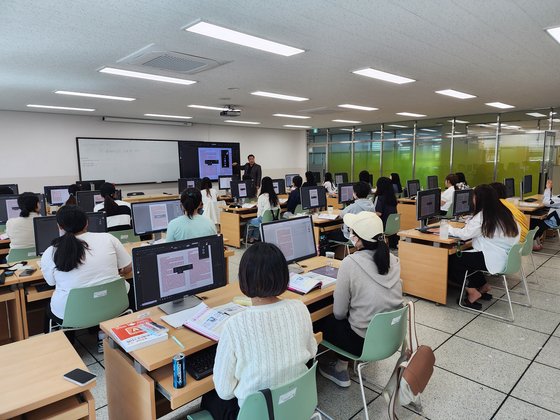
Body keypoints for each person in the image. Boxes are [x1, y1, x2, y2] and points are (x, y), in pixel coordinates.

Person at [201, 242, 317, 419]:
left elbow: (225, 392)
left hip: (257, 414)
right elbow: (312, 352)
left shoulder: (235, 325)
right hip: (296, 406)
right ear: (284, 276)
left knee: (210, 399)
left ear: (243, 279)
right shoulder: (299, 307)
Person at [315, 212, 402, 387]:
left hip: (361, 343)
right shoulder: (393, 259)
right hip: (390, 338)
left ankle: (340, 368)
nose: (351, 235)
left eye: (353, 232)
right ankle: (342, 363)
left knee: (318, 320)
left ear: (359, 240)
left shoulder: (350, 263)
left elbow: (339, 313)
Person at [41, 206, 132, 346]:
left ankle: (63, 348)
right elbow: (128, 267)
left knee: (50, 306)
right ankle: (101, 335)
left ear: (59, 226)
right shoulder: (108, 238)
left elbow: (51, 282)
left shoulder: (51, 251)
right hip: (116, 306)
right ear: (87, 223)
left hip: (73, 314)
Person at [446, 185, 519, 309]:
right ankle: (483, 286)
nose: (472, 200)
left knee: (454, 260)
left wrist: (448, 228)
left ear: (480, 199)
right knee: (468, 255)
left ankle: (472, 293)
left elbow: (465, 235)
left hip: (492, 258)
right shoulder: (503, 212)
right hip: (504, 257)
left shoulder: (483, 216)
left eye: (473, 197)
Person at [246, 177, 279, 243]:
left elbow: (259, 213)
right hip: (274, 219)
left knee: (249, 221)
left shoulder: (262, 197)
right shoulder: (275, 196)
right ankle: (255, 238)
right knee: (258, 220)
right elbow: (278, 208)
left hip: (264, 220)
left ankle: (249, 239)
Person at [533, 179, 560, 250]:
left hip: (554, 221)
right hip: (556, 220)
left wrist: (548, 188)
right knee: (539, 220)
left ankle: (533, 244)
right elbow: (554, 199)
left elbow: (546, 202)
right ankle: (537, 241)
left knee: (533, 222)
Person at [374, 177, 398, 248]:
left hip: (383, 227)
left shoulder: (379, 198)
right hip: (392, 227)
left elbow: (378, 213)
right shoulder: (393, 199)